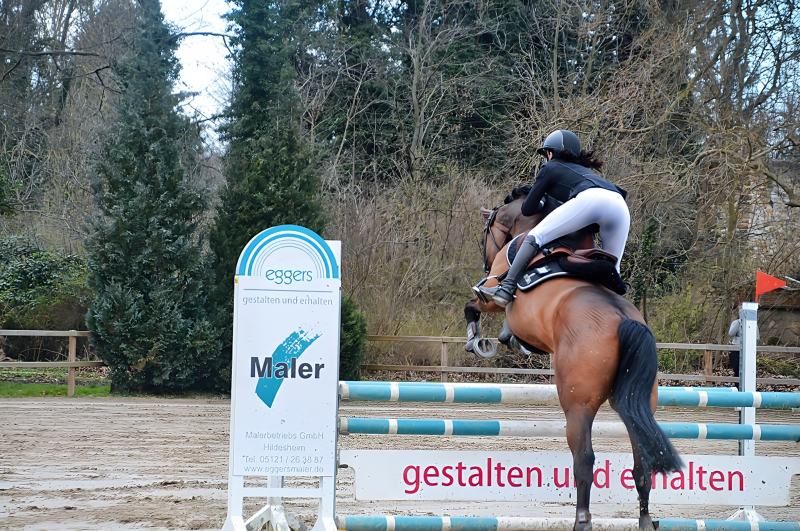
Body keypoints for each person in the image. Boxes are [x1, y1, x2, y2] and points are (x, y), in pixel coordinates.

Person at [480, 129, 630, 308]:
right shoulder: (584, 172)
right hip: (619, 205)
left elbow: (527, 209)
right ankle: (618, 308)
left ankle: (506, 289)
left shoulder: (550, 166)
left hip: (592, 199)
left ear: (550, 153)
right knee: (614, 267)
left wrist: (541, 202)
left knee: (535, 237)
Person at [728, 307, 759, 389]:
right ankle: (738, 388)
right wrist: (739, 322)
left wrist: (749, 340)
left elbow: (757, 337)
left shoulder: (753, 324)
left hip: (748, 349)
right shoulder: (735, 322)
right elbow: (731, 333)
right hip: (735, 349)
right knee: (737, 370)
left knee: (748, 371)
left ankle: (747, 389)